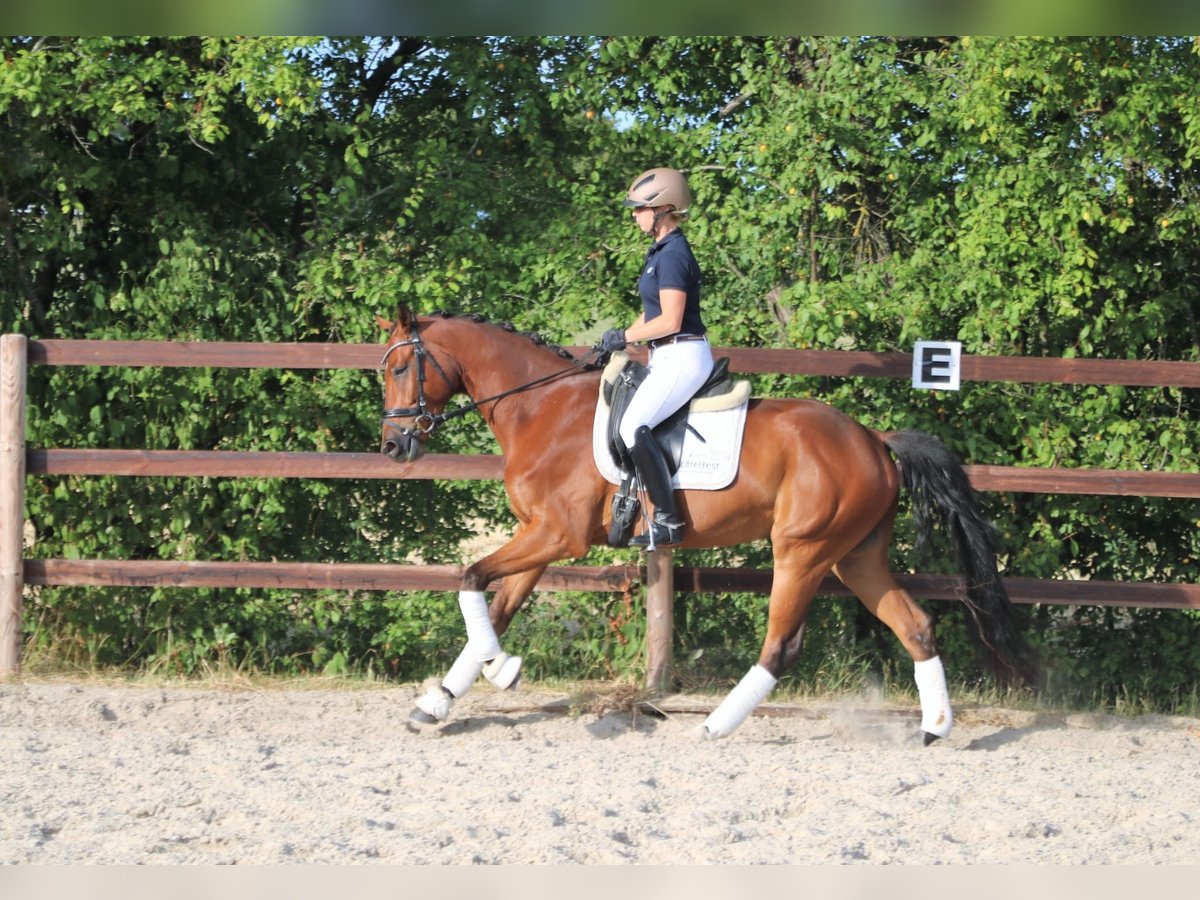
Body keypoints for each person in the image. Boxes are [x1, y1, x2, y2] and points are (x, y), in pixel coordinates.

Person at [598, 167, 714, 549]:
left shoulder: (674, 254)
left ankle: (668, 521)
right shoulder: (660, 251)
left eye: (639, 209)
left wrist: (627, 336)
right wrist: (618, 339)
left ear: (663, 209)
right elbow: (652, 312)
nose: (634, 215)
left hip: (683, 357)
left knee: (633, 426)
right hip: (665, 357)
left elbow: (671, 319)